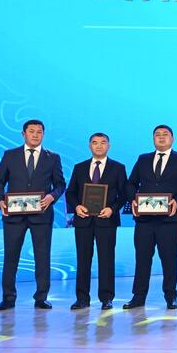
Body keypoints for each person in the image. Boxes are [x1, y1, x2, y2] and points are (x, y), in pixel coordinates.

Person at [124, 125, 177, 310]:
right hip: (144, 219)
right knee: (142, 258)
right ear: (153, 139)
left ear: (172, 138)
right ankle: (138, 297)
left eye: (165, 134)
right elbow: (131, 184)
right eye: (157, 135)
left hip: (169, 220)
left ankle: (171, 296)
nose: (161, 137)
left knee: (169, 258)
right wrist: (133, 200)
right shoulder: (143, 159)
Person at [0, 120, 66, 310]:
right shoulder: (10, 155)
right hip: (14, 216)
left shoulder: (53, 157)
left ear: (43, 134)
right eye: (31, 131)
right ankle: (8, 298)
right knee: (11, 256)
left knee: (42, 257)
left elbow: (60, 184)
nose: (35, 135)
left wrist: (52, 196)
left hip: (41, 215)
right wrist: (0, 201)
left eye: (39, 132)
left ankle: (41, 297)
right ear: (23, 134)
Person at [65, 132, 127, 310]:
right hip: (83, 220)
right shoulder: (79, 167)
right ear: (89, 146)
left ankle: (106, 298)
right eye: (95, 142)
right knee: (83, 260)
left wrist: (112, 209)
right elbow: (70, 192)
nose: (99, 146)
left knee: (106, 260)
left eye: (103, 142)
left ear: (109, 146)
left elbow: (124, 194)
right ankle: (82, 299)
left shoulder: (118, 167)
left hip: (106, 221)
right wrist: (77, 207)